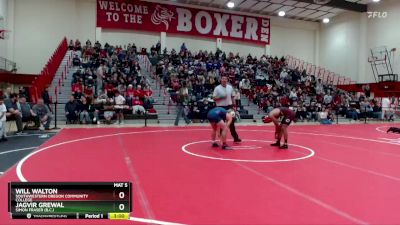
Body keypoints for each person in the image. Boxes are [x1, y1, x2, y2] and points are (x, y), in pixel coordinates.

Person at [213, 75, 241, 143]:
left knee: (231, 123)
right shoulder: (217, 88)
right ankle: (222, 139)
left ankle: (236, 138)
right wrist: (221, 97)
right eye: (223, 79)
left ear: (227, 80)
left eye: (225, 79)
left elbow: (233, 97)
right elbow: (214, 98)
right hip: (220, 108)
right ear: (221, 80)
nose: (224, 80)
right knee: (222, 124)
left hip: (229, 107)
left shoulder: (230, 87)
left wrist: (234, 106)